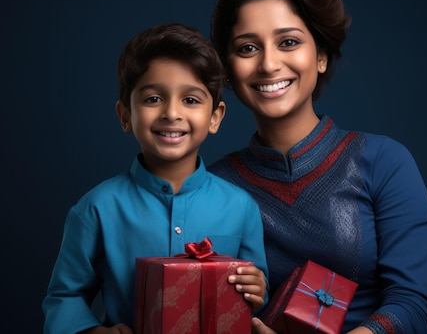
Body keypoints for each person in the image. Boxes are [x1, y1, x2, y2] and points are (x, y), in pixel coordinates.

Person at [208, 0, 427, 334]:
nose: (268, 64)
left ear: (322, 56)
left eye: (289, 42)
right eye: (248, 48)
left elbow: (412, 306)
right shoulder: (212, 187)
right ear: (228, 70)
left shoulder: (384, 162)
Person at [42, 22, 268, 334]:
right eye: (152, 99)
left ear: (215, 117)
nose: (171, 113)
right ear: (125, 116)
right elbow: (64, 296)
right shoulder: (97, 208)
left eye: (190, 100)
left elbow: (257, 294)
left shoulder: (241, 207)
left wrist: (258, 288)